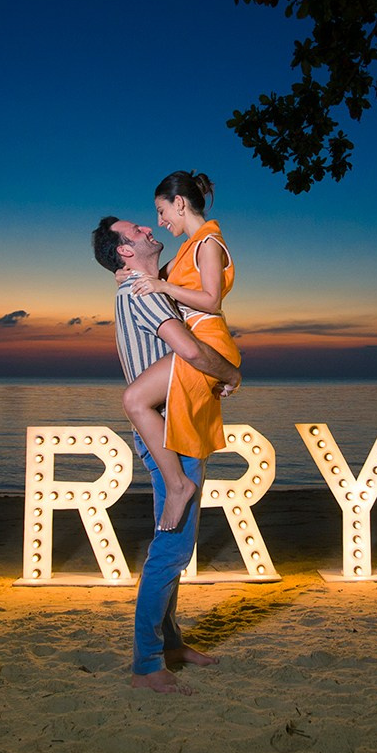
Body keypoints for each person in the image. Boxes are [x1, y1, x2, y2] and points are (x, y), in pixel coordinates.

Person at [91, 214, 241, 695]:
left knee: (175, 548)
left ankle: (171, 644)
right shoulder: (147, 291)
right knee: (170, 551)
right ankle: (147, 664)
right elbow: (192, 352)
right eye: (137, 231)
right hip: (169, 432)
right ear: (126, 252)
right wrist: (231, 375)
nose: (149, 229)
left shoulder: (138, 284)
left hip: (174, 425)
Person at [119, 171, 240, 533]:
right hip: (198, 336)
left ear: (180, 203)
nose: (159, 221)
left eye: (161, 211)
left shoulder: (209, 244)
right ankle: (178, 483)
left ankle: (178, 486)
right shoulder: (190, 247)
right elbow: (153, 273)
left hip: (208, 337)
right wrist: (128, 273)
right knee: (141, 402)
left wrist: (159, 285)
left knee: (136, 399)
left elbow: (211, 300)